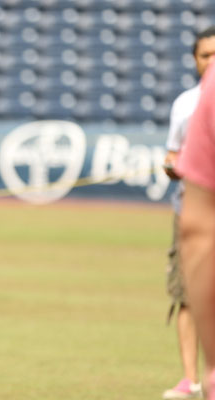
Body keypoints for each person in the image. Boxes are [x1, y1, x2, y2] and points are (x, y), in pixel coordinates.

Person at [162, 26, 215, 400]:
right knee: (188, 293)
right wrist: (173, 165)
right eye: (206, 55)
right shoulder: (185, 104)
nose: (212, 62)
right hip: (192, 206)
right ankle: (190, 379)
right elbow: (173, 154)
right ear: (195, 60)